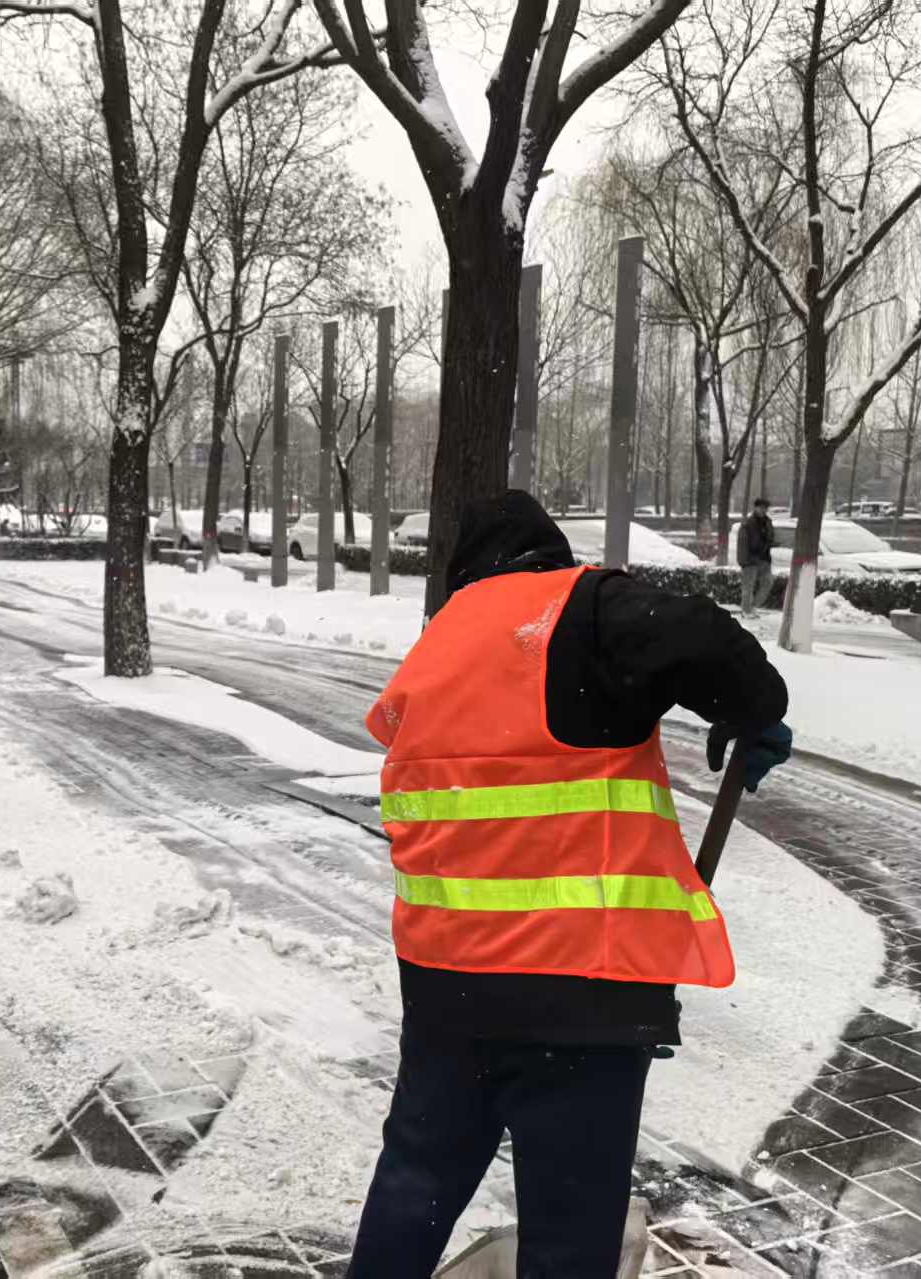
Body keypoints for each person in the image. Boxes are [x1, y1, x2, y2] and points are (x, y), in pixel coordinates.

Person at [350, 490, 791, 1279]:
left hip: (448, 991)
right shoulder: (580, 607)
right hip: (580, 992)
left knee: (414, 1180)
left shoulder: (436, 648)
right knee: (569, 1228)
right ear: (545, 556)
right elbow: (705, 637)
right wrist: (754, 708)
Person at [737, 496, 777, 618]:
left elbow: (770, 537)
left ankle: (753, 606)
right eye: (761, 508)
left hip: (764, 559)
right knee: (748, 587)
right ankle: (746, 610)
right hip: (750, 559)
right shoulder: (748, 523)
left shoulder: (768, 522)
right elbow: (743, 543)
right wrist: (744, 561)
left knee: (768, 583)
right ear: (755, 508)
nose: (763, 510)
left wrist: (771, 542)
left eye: (765, 508)